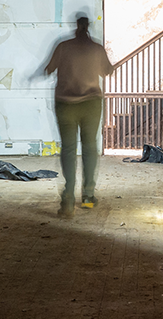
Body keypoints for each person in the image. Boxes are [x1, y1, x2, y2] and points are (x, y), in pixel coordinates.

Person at [43, 14, 113, 218]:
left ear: (76, 26)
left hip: (65, 103)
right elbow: (107, 71)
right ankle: (89, 197)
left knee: (69, 148)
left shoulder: (63, 46)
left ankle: (68, 200)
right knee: (90, 147)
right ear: (88, 27)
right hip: (91, 104)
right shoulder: (96, 48)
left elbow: (49, 69)